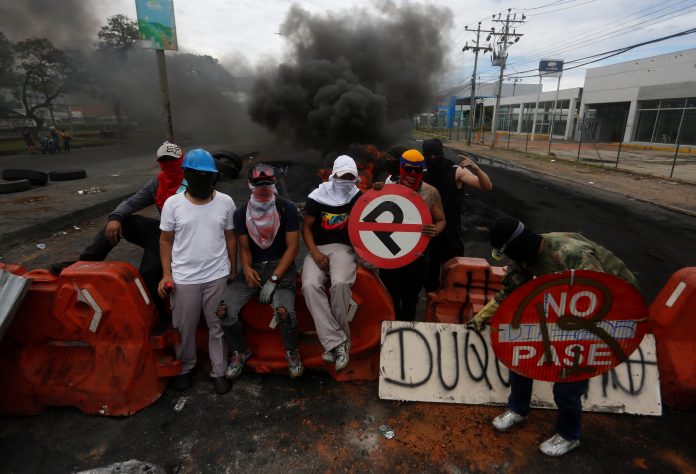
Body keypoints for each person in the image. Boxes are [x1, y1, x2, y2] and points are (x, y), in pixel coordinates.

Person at [470, 216, 639, 457]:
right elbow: (510, 293)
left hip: (609, 311)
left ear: (518, 247)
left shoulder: (570, 254)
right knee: (521, 355)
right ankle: (518, 408)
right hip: (567, 309)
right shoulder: (525, 258)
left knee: (569, 379)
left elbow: (603, 296)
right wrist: (482, 316)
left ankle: (570, 436)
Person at [50, 141, 185, 319]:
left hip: (185, 240)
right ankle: (82, 264)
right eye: (164, 161)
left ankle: (162, 315)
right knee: (122, 222)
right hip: (164, 235)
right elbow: (130, 202)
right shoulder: (158, 183)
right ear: (159, 163)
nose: (169, 165)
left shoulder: (193, 180)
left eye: (173, 161)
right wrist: (115, 218)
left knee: (148, 274)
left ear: (182, 160)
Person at [158, 148, 236, 395]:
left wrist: (233, 269)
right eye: (198, 174)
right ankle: (185, 369)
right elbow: (165, 240)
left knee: (218, 326)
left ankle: (219, 371)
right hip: (184, 278)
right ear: (187, 174)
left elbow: (230, 237)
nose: (204, 179)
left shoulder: (226, 202)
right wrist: (166, 274)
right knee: (184, 328)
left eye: (208, 175)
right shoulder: (173, 204)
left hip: (217, 275)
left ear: (214, 176)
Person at [217, 163, 304, 379]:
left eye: (267, 185)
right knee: (224, 312)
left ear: (274, 184)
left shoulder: (287, 209)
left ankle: (292, 352)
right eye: (259, 186)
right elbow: (245, 248)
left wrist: (274, 279)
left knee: (284, 313)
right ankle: (241, 350)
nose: (263, 191)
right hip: (254, 267)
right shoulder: (241, 214)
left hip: (280, 267)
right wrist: (245, 267)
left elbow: (293, 248)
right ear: (250, 185)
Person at [302, 155, 362, 371]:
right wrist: (315, 253)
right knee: (309, 285)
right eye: (343, 175)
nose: (346, 180)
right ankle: (339, 342)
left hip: (344, 248)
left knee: (340, 284)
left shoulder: (358, 196)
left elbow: (375, 206)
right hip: (318, 248)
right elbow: (306, 227)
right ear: (334, 175)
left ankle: (334, 344)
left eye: (350, 176)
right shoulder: (318, 197)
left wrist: (378, 189)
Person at [376, 149, 446, 321]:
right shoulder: (388, 189)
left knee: (410, 300)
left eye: (418, 170)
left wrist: (436, 229)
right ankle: (392, 333)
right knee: (390, 298)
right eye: (408, 169)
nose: (413, 174)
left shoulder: (430, 192)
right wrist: (375, 192)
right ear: (400, 168)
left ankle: (406, 333)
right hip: (390, 255)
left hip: (417, 256)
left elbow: (441, 220)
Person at [421, 138, 492, 292]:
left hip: (450, 235)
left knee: (454, 279)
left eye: (435, 155)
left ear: (441, 153)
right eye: (429, 156)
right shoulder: (421, 173)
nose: (432, 159)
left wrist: (476, 168)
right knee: (430, 281)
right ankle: (432, 308)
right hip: (428, 234)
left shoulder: (455, 171)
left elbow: (486, 186)